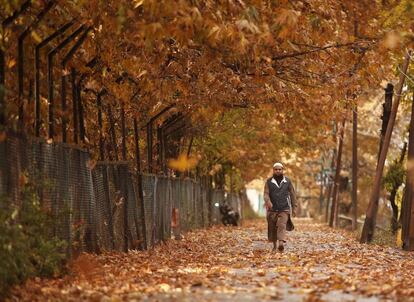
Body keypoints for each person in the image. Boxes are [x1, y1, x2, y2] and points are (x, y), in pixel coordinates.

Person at [264, 162, 297, 252]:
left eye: (280, 169)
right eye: (276, 169)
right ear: (273, 170)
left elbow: (293, 195)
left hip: (284, 208)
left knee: (281, 225)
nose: (278, 171)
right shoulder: (269, 182)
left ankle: (281, 243)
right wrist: (268, 201)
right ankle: (275, 246)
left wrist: (294, 208)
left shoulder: (288, 181)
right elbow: (266, 194)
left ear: (282, 170)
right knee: (273, 227)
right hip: (272, 210)